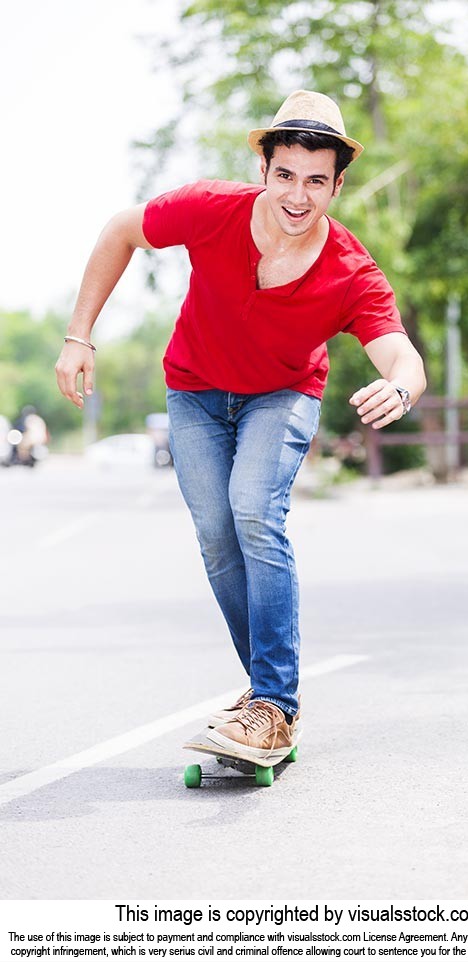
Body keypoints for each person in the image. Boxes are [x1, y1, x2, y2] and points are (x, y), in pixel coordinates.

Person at [55, 90, 426, 763]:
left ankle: (275, 705)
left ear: (337, 185)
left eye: (316, 181)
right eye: (286, 174)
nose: (297, 195)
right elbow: (120, 228)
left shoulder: (349, 269)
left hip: (281, 395)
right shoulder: (210, 209)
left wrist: (399, 385)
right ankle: (266, 696)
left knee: (254, 510)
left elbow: (400, 352)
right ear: (265, 170)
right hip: (194, 390)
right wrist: (80, 335)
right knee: (218, 538)